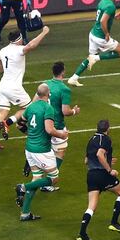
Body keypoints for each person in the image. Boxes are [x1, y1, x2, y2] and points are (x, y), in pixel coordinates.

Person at [13, 83, 70, 221]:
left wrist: (30, 132)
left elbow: (21, 123)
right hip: (42, 151)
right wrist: (62, 135)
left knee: (37, 178)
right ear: (48, 94)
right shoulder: (47, 108)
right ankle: (23, 187)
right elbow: (49, 130)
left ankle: (25, 213)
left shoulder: (31, 107)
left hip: (29, 149)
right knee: (53, 179)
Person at [0, 26, 50, 150]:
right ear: (19, 39)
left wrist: (3, 72)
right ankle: (8, 123)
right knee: (29, 109)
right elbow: (32, 45)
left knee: (2, 114)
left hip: (2, 86)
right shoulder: (18, 49)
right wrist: (44, 32)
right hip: (14, 88)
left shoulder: (4, 50)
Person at [30, 62, 81, 190]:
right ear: (63, 72)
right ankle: (49, 182)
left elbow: (33, 103)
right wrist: (74, 111)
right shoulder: (64, 89)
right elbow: (65, 111)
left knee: (45, 151)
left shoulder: (45, 85)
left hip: (43, 126)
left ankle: (39, 178)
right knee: (60, 153)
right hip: (57, 126)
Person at [76, 119, 120, 240]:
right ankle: (114, 223)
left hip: (91, 175)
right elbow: (100, 154)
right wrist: (110, 170)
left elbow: (87, 161)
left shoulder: (91, 139)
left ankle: (82, 233)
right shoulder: (106, 139)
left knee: (91, 207)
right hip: (103, 175)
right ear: (107, 129)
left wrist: (108, 160)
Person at [67, 0, 120, 87]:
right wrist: (107, 33)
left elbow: (102, 18)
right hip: (100, 37)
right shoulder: (111, 5)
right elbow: (103, 21)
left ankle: (74, 78)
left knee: (90, 57)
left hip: (93, 34)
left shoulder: (102, 1)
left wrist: (114, 16)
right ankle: (97, 58)